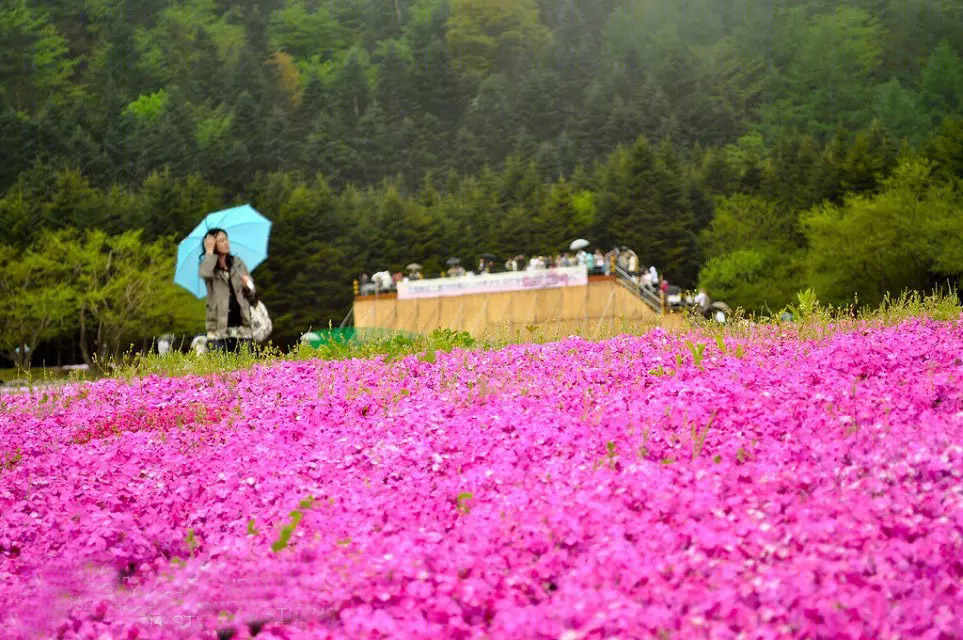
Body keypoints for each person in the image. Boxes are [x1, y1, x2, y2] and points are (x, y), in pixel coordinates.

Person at [199, 228, 256, 352]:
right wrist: (209, 253)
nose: (226, 243)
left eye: (226, 239)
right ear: (213, 244)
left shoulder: (238, 263)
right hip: (218, 326)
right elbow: (204, 273)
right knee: (222, 368)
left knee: (247, 368)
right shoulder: (208, 265)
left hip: (242, 325)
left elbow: (253, 294)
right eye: (221, 241)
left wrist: (247, 286)